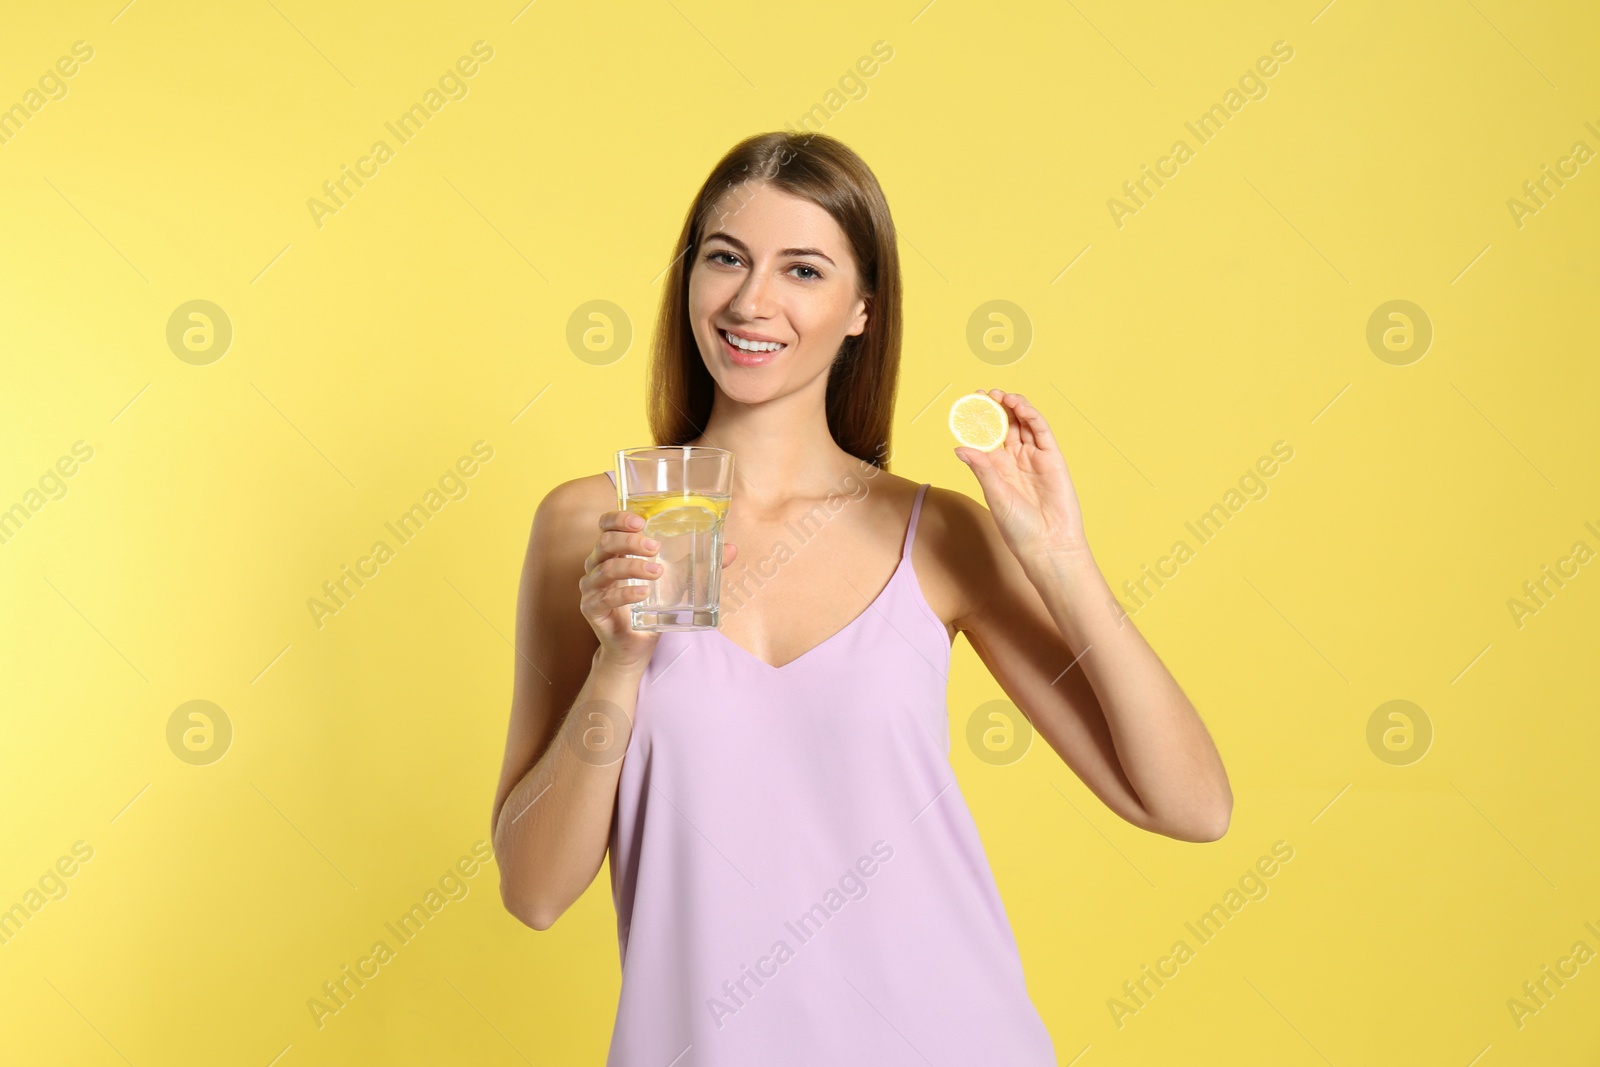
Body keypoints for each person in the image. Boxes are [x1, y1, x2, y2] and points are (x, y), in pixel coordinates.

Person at [490, 131, 1232, 1065]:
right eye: (726, 258)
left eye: (802, 269)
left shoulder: (939, 535)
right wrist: (619, 664)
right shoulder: (592, 526)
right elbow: (534, 890)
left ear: (860, 312)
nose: (751, 301)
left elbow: (1191, 805)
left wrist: (1062, 558)